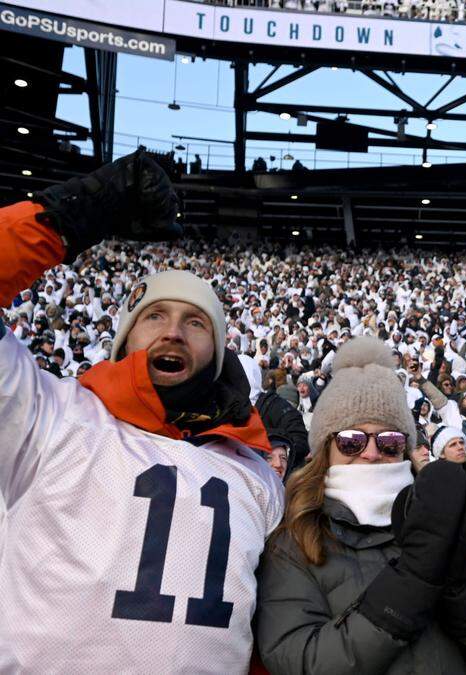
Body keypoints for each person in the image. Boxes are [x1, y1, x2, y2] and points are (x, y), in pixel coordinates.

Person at [0, 150, 284, 671]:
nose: (174, 331)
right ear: (125, 338)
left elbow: (267, 638)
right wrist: (69, 217)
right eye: (154, 315)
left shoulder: (256, 475)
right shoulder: (46, 416)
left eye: (197, 323)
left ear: (218, 351)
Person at [256, 337, 466, 673]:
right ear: (326, 449)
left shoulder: (446, 521)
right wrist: (409, 584)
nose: (371, 453)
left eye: (390, 441)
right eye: (351, 441)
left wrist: (459, 581)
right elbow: (300, 662)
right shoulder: (294, 539)